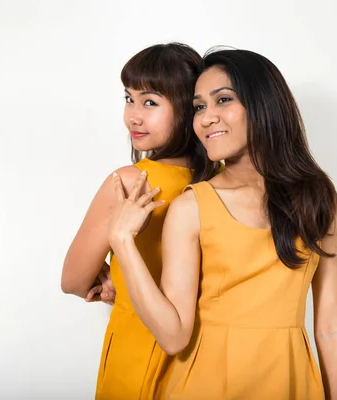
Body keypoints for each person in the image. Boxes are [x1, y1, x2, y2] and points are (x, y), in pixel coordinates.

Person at [108, 48, 337, 400]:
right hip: (204, 384)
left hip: (291, 382)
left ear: (264, 104)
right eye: (199, 107)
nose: (206, 118)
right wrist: (122, 241)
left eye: (223, 100)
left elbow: (329, 326)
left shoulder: (318, 198)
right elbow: (173, 335)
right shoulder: (192, 206)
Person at [61, 43, 220, 399]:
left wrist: (103, 272)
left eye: (150, 102)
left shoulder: (131, 182)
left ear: (185, 107)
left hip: (139, 347)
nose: (133, 116)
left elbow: (72, 281)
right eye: (128, 99)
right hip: (204, 356)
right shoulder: (221, 180)